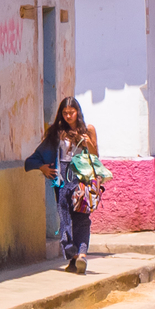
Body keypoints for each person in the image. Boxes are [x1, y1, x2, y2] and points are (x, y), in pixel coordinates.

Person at [27, 97, 99, 273]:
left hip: (82, 178)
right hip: (62, 178)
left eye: (71, 112)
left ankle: (81, 255)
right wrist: (43, 168)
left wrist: (86, 140)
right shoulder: (57, 133)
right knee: (65, 217)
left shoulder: (88, 129)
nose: (68, 116)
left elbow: (96, 154)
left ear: (78, 112)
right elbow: (38, 155)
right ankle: (72, 255)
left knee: (82, 217)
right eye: (65, 113)